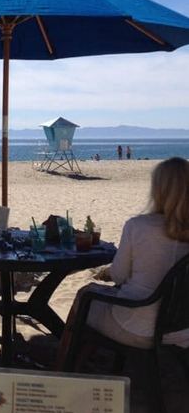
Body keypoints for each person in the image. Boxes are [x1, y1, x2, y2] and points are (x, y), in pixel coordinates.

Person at [56, 157, 189, 368]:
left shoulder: (139, 226)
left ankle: (64, 363)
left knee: (86, 295)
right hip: (182, 332)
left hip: (138, 327)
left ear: (159, 190)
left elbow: (118, 276)